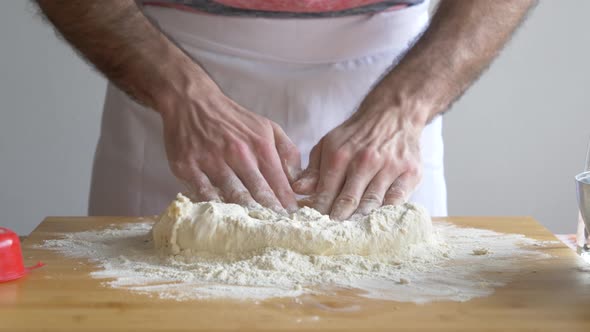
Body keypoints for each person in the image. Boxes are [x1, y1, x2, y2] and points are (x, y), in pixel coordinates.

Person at [36, 0, 535, 220]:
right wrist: (181, 95)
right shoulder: (175, 94)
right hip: (169, 72)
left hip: (394, 80)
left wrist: (405, 107)